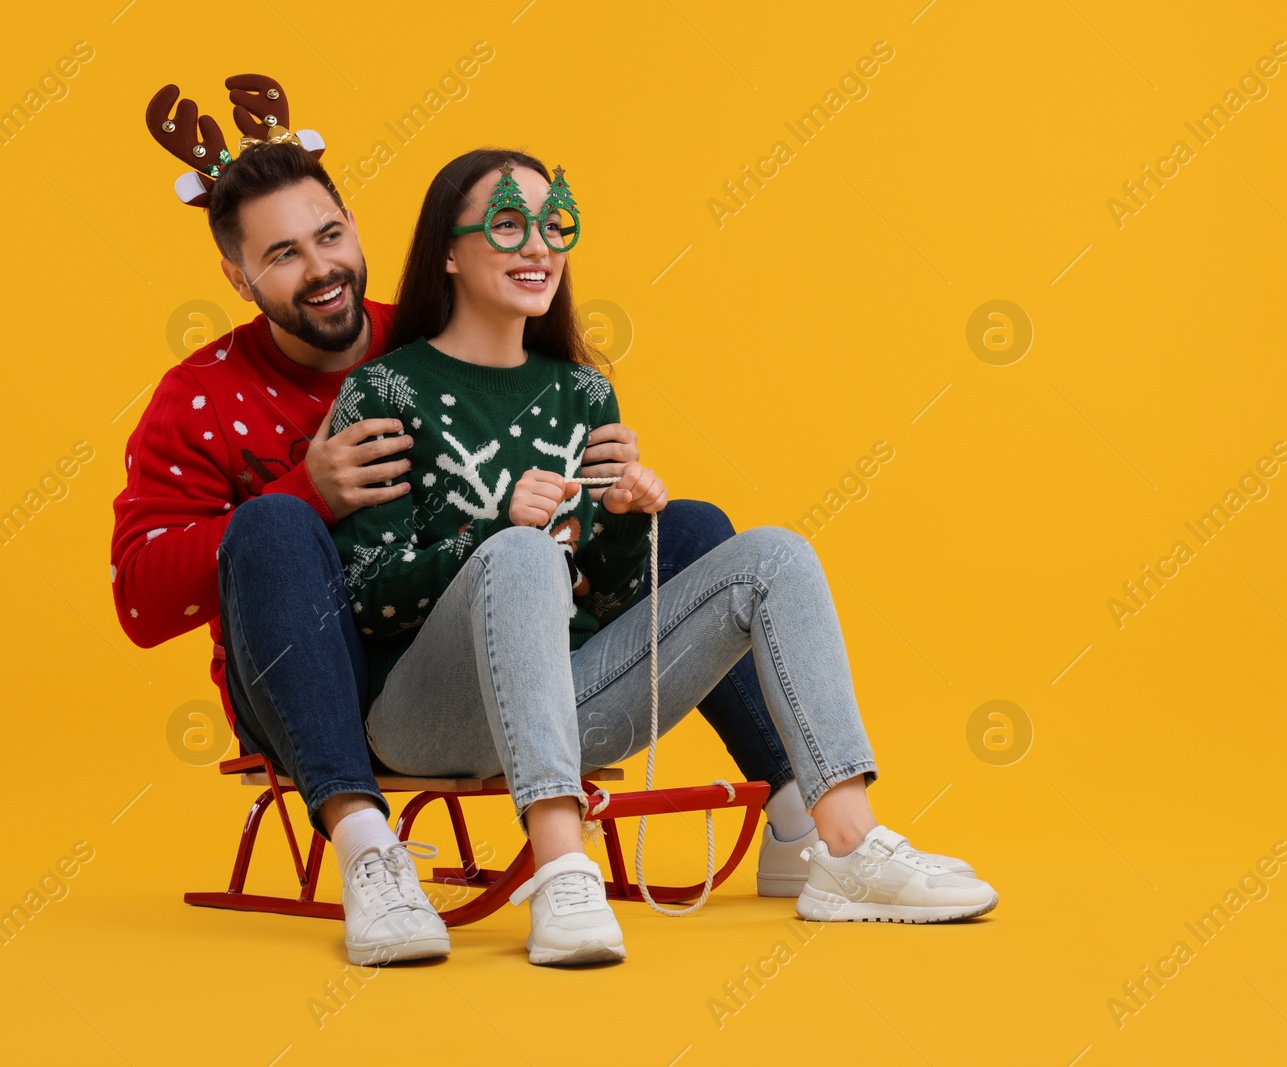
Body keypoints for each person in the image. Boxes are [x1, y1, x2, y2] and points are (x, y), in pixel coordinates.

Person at [113, 75, 835, 967]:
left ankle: (804, 810)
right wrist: (307, 492)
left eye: (331, 235)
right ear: (238, 275)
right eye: (284, 255)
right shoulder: (199, 397)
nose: (322, 269)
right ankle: (368, 848)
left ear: (357, 228)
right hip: (327, 682)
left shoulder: (424, 344)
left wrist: (603, 494)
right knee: (268, 527)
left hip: (498, 634)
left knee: (689, 529)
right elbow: (140, 603)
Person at [329, 148, 999, 967]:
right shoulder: (384, 391)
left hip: (563, 708)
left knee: (774, 556)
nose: (538, 246)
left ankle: (847, 848)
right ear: (448, 249)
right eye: (508, 224)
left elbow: (600, 602)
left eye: (553, 226)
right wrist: (491, 535)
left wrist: (617, 523)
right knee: (522, 555)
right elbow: (365, 597)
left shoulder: (582, 394)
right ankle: (563, 866)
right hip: (426, 715)